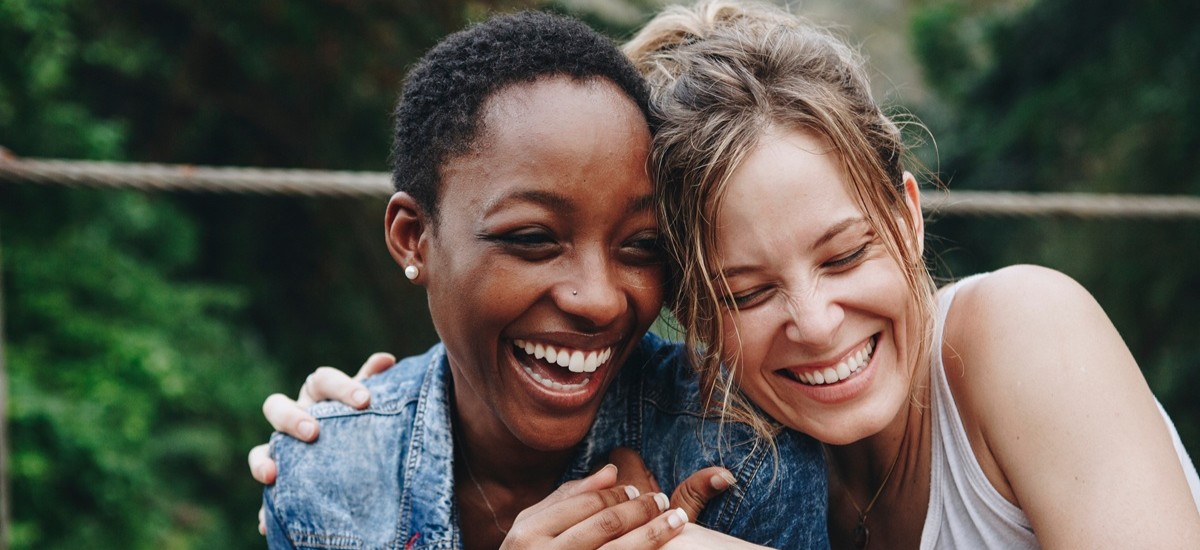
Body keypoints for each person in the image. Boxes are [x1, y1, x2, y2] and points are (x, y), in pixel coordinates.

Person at [259, 1, 1200, 547]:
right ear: (690, 312)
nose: (820, 322)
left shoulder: (1021, 334)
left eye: (845, 254)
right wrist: (374, 437)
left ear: (908, 217)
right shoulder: (739, 460)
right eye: (746, 293)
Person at [257, 10, 827, 550]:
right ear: (414, 237)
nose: (599, 300)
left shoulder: (745, 460)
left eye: (641, 246)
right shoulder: (325, 482)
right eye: (533, 239)